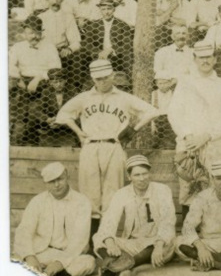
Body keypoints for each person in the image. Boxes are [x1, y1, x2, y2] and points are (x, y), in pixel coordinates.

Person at [55, 59, 159, 232]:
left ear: (112, 76)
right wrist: (78, 131)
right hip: (90, 146)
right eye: (98, 79)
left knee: (114, 192)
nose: (102, 82)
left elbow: (152, 111)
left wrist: (133, 129)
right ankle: (91, 238)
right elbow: (63, 114)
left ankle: (107, 237)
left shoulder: (124, 98)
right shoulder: (84, 97)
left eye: (105, 77)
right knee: (89, 192)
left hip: (114, 145)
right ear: (92, 79)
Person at [167, 42, 221, 215]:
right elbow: (174, 113)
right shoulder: (184, 84)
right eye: (201, 57)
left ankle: (210, 234)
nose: (205, 60)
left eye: (209, 57)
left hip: (213, 144)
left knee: (212, 188)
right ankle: (189, 236)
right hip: (188, 145)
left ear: (215, 59)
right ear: (195, 59)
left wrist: (207, 136)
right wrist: (187, 136)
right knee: (188, 188)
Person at [93, 155, 176, 276]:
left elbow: (168, 221)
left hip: (155, 242)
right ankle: (125, 267)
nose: (142, 179)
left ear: (150, 173)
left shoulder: (162, 190)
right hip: (131, 244)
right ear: (129, 176)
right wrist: (110, 242)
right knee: (99, 237)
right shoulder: (121, 194)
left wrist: (159, 245)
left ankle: (116, 266)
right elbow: (109, 220)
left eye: (145, 174)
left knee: (170, 243)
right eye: (137, 175)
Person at [13, 162, 95, 276]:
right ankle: (46, 272)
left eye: (60, 179)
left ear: (67, 176)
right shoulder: (38, 201)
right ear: (46, 184)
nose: (56, 185)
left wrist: (59, 263)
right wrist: (30, 257)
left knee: (89, 262)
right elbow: (24, 231)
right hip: (42, 251)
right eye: (51, 181)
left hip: (69, 253)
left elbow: (79, 240)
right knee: (18, 257)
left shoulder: (82, 202)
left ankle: (49, 273)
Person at [9, 15, 61, 146]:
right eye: (30, 33)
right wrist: (18, 78)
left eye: (37, 32)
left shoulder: (49, 47)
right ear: (24, 33)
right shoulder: (17, 47)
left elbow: (56, 68)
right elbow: (10, 65)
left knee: (34, 109)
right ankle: (17, 139)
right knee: (19, 107)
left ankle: (32, 136)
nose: (34, 36)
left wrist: (38, 78)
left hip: (42, 82)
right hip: (21, 81)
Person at [37, 0, 81, 87]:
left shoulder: (68, 17)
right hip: (44, 52)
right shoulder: (40, 17)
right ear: (47, 0)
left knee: (75, 62)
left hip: (62, 51)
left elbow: (75, 41)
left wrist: (69, 48)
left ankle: (72, 89)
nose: (55, 1)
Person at [82, 0, 134, 76]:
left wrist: (111, 50)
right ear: (100, 10)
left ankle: (131, 82)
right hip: (99, 55)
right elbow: (87, 43)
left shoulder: (122, 25)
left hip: (117, 56)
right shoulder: (94, 25)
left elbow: (127, 44)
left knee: (128, 56)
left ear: (114, 9)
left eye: (109, 9)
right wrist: (98, 52)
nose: (106, 12)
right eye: (103, 9)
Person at [32, 68, 79, 147]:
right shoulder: (46, 92)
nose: (58, 84)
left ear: (65, 80)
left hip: (68, 126)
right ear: (50, 83)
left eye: (61, 81)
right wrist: (47, 119)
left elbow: (78, 111)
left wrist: (61, 122)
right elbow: (37, 110)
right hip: (51, 127)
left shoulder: (72, 91)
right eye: (55, 82)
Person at [150, 71, 177, 149]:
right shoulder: (154, 93)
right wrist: (153, 125)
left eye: (165, 83)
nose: (162, 86)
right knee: (156, 141)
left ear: (169, 83)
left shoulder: (173, 93)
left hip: (170, 119)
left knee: (170, 141)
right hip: (158, 119)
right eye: (160, 83)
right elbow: (153, 109)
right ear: (156, 84)